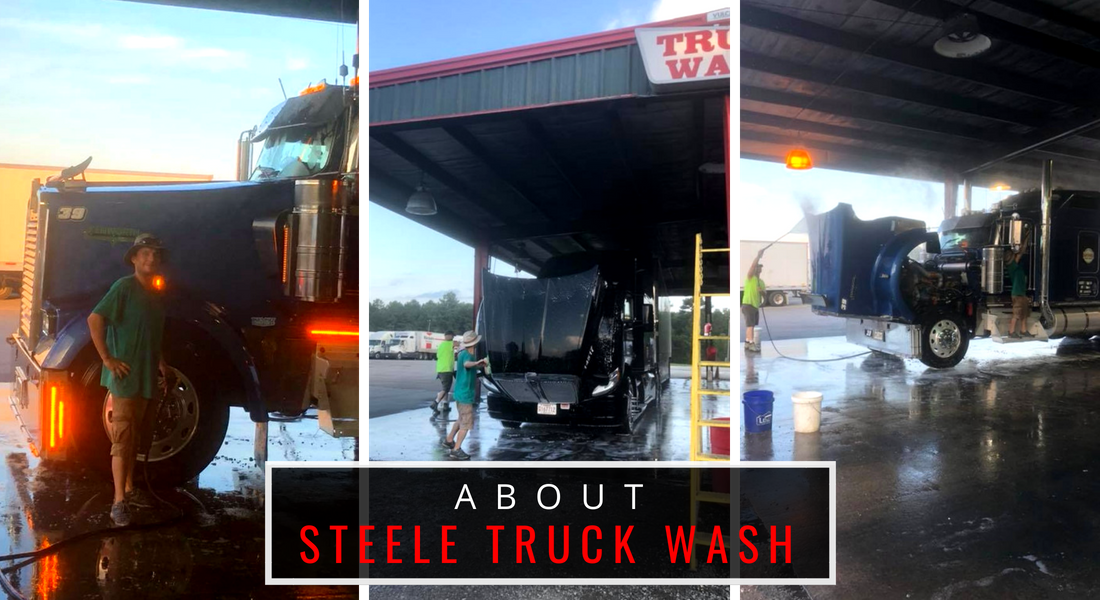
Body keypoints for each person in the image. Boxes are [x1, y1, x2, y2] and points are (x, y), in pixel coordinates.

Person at [87, 234, 172, 527]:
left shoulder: (156, 294)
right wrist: (108, 360)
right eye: (144, 253)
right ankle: (118, 502)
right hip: (125, 378)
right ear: (134, 259)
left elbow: (151, 334)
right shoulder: (123, 287)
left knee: (137, 437)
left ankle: (131, 490)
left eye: (154, 254)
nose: (150, 258)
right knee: (122, 440)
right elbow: (94, 319)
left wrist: (161, 363)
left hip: (148, 378)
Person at [442, 330, 487, 460]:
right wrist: (478, 363)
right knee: (466, 423)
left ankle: (449, 440)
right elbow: (466, 364)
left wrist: (478, 366)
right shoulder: (468, 355)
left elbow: (468, 368)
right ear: (475, 343)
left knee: (461, 418)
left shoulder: (462, 353)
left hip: (460, 392)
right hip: (465, 394)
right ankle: (456, 449)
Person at [1006, 234, 1032, 339]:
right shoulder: (1012, 266)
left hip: (1022, 293)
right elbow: (1021, 252)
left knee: (1024, 314)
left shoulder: (1015, 267)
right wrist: (1026, 238)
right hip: (1017, 293)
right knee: (1016, 314)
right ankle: (1011, 331)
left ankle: (1023, 330)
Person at [742, 249, 765, 352]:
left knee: (750, 325)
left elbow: (765, 293)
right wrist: (758, 257)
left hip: (755, 306)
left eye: (760, 268)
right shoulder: (750, 278)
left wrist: (761, 291)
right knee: (750, 325)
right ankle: (751, 343)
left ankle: (747, 342)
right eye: (757, 268)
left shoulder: (761, 282)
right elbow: (752, 266)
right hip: (748, 304)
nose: (758, 270)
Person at [431, 331, 456, 415]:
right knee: (445, 389)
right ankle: (435, 402)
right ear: (449, 336)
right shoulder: (451, 344)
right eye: (452, 336)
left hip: (440, 369)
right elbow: (462, 345)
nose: (453, 338)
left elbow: (438, 356)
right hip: (447, 369)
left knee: (445, 388)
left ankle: (445, 405)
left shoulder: (441, 345)